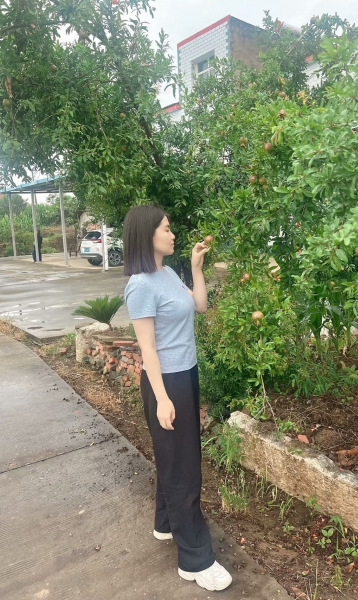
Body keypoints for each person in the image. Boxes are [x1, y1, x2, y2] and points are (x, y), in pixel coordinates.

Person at [123, 205, 232, 592]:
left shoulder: (167, 274)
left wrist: (197, 269)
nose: (172, 235)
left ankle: (165, 523)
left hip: (186, 374)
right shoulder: (140, 285)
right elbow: (147, 349)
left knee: (177, 456)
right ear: (147, 234)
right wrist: (163, 398)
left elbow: (199, 306)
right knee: (183, 466)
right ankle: (195, 559)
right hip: (165, 383)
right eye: (166, 229)